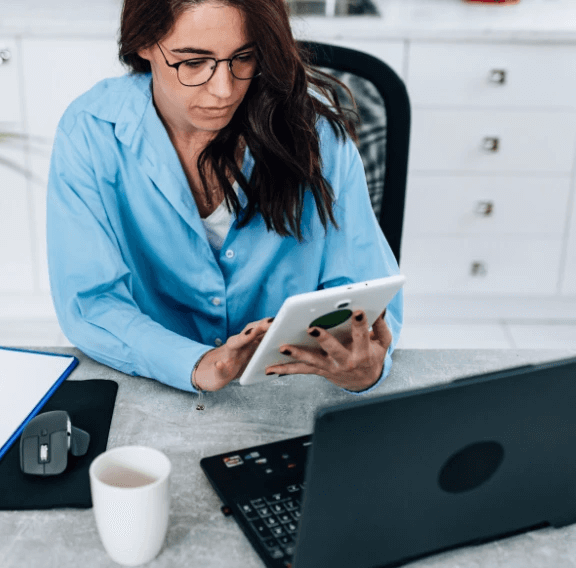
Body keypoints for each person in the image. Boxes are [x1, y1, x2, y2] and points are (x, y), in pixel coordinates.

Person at [46, 0, 403, 393]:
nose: (223, 91)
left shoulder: (320, 140)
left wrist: (364, 367)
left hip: (290, 393)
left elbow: (366, 296)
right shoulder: (91, 131)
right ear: (143, 45)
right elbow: (91, 302)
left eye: (244, 58)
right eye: (193, 62)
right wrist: (196, 363)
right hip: (154, 390)